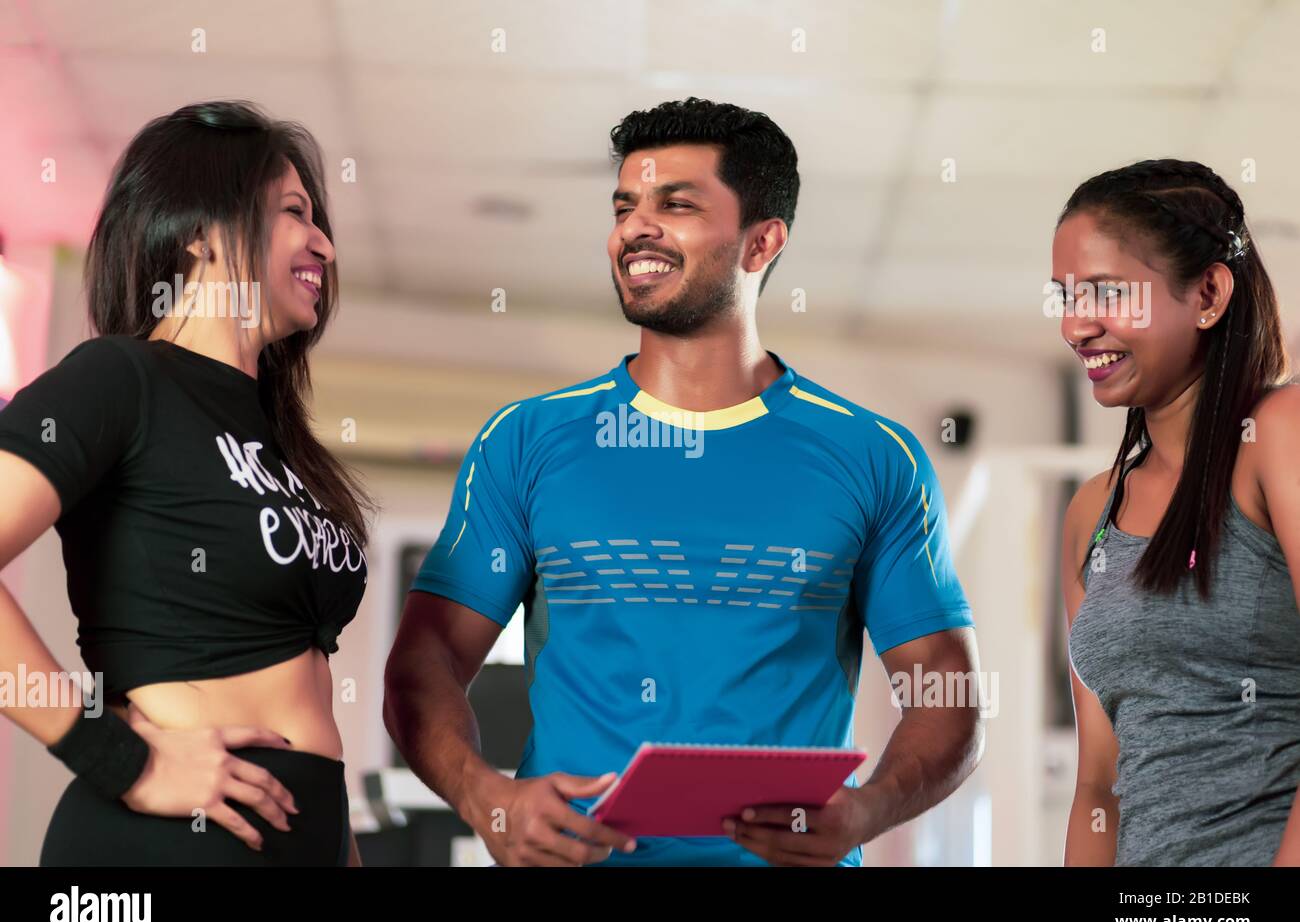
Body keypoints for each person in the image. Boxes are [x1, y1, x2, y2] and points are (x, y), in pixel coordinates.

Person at [385, 97, 982, 866]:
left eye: (677, 205)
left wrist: (865, 811)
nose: (637, 227)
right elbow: (425, 658)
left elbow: (946, 691)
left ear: (762, 242)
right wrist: (487, 798)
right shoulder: (527, 441)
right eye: (625, 205)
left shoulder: (874, 457)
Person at [0, 101, 373, 865]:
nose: (324, 245)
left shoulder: (275, 433)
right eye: (294, 212)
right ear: (200, 229)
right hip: (165, 843)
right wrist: (117, 759)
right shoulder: (120, 377)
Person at [1057, 159, 1300, 866]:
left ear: (1209, 294)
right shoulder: (1092, 512)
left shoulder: (1277, 435)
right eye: (1065, 296)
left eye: (1105, 291)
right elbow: (1098, 786)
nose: (1075, 324)